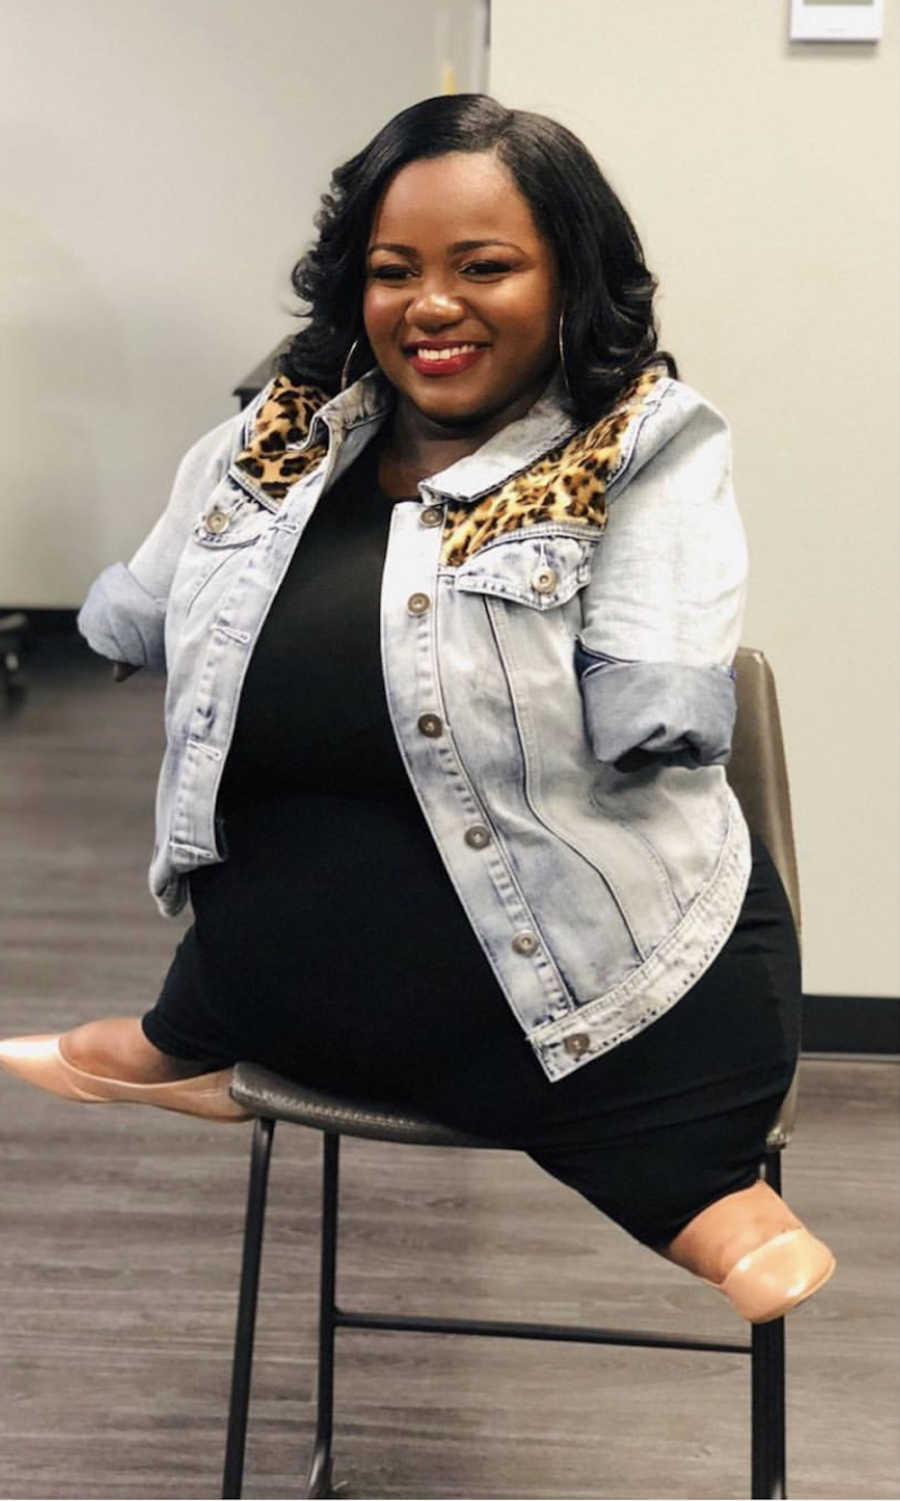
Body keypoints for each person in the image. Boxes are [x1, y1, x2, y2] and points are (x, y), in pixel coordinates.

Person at [1, 94, 834, 1323]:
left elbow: (659, 690)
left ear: (570, 278)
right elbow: (144, 612)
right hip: (288, 969)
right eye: (395, 272)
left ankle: (682, 1176)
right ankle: (201, 1030)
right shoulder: (284, 430)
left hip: (587, 980)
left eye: (483, 267)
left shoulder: (642, 442)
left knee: (719, 1205)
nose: (431, 304)